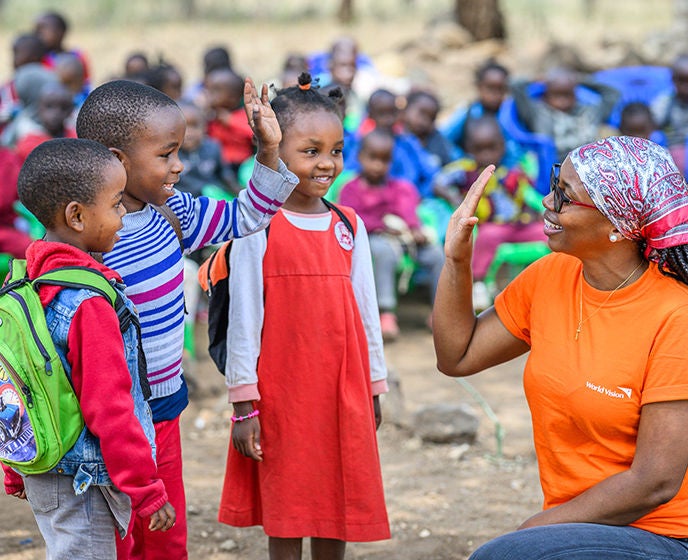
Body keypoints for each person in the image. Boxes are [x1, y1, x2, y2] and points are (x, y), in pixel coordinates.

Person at [433, 135, 688, 560]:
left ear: (618, 229)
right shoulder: (552, 275)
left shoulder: (678, 317)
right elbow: (457, 355)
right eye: (555, 182)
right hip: (588, 525)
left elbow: (654, 482)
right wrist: (457, 260)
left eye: (565, 196)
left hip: (681, 539)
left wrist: (537, 529)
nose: (547, 201)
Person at [75, 78, 298, 560]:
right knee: (115, 539)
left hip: (163, 410)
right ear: (116, 160)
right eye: (166, 154)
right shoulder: (89, 237)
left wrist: (270, 150)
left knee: (165, 537)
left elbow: (247, 216)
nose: (180, 165)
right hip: (103, 428)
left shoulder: (170, 212)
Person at [217, 72, 391, 559]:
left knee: (338, 496)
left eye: (335, 151)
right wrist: (244, 403)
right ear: (275, 149)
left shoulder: (347, 225)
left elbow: (366, 314)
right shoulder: (258, 225)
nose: (326, 164)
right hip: (282, 394)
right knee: (288, 503)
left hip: (341, 389)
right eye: (310, 151)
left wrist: (374, 385)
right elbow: (244, 318)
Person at [2, 138, 175, 558]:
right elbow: (110, 407)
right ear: (77, 216)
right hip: (85, 479)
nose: (121, 216)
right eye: (116, 204)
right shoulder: (90, 304)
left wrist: (16, 465)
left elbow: (12, 382)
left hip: (44, 466)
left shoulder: (21, 283)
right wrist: (147, 490)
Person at [431, 114, 545, 309]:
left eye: (492, 148)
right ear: (468, 149)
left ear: (502, 145)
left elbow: (527, 194)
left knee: (545, 232)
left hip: (518, 224)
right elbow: (438, 183)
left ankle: (550, 278)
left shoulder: (513, 171)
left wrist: (533, 213)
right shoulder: (466, 170)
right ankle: (479, 282)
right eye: (479, 150)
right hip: (489, 225)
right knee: (487, 237)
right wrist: (454, 198)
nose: (486, 156)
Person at [340, 128, 444, 340]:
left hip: (404, 241)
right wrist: (382, 226)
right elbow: (351, 219)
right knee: (383, 251)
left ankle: (440, 312)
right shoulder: (351, 188)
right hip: (372, 240)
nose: (378, 165)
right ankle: (385, 313)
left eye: (384, 160)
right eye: (372, 158)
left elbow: (409, 211)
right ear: (360, 157)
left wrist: (415, 230)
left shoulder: (400, 188)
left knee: (435, 254)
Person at [511, 66, 620, 160]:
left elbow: (613, 93)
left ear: (575, 94)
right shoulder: (538, 113)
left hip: (586, 166)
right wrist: (539, 79)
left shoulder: (589, 112)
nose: (562, 101)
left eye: (567, 95)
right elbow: (516, 85)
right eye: (556, 95)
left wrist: (578, 79)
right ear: (545, 95)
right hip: (553, 169)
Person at [441, 59, 511, 159]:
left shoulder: (510, 114)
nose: (495, 94)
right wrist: (464, 160)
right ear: (479, 87)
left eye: (500, 89)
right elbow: (444, 139)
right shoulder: (468, 114)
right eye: (490, 88)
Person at [176, 100, 238, 198]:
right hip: (183, 200)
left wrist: (237, 191)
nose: (189, 133)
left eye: (195, 126)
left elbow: (225, 174)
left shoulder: (213, 147)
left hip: (212, 197)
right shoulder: (171, 153)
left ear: (205, 127)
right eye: (183, 127)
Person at [205, 67, 255, 176]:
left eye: (215, 91)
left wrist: (230, 121)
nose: (209, 95)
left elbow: (253, 133)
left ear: (233, 97)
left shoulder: (243, 114)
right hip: (217, 164)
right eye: (208, 90)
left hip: (241, 164)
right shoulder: (211, 115)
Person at [15, 82, 76, 161]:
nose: (56, 113)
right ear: (38, 108)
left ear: (71, 111)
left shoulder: (77, 138)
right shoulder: (28, 145)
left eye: (63, 107)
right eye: (49, 106)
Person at [401, 89, 456, 170]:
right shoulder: (395, 135)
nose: (424, 120)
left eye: (430, 117)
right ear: (407, 108)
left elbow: (447, 166)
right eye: (421, 113)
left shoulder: (436, 141)